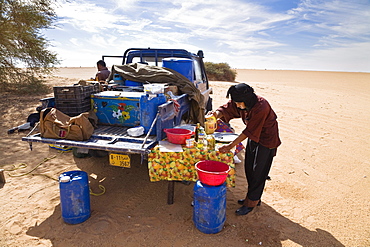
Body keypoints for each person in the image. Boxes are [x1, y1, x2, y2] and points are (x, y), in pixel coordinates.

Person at [212, 83, 281, 216]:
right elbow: (228, 108)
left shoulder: (261, 107)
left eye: (239, 103)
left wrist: (231, 146)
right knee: (249, 167)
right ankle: (253, 197)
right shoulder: (241, 103)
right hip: (255, 137)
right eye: (236, 102)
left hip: (267, 139)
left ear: (247, 100)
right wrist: (216, 114)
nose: (237, 106)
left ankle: (251, 202)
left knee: (259, 172)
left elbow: (249, 131)